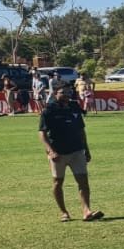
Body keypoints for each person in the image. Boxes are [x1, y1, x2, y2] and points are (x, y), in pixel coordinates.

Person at [38, 84, 103, 223]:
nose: (67, 95)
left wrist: (86, 149)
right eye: (63, 92)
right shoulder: (49, 110)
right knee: (58, 182)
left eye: (69, 92)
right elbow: (42, 133)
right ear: (55, 93)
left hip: (77, 151)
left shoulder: (74, 107)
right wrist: (51, 151)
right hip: (58, 153)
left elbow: (81, 130)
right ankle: (64, 212)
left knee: (83, 181)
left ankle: (87, 211)